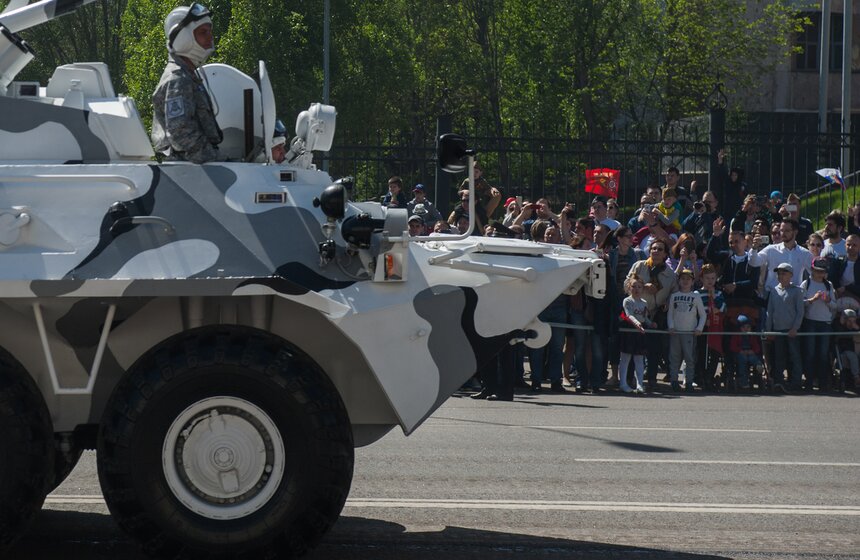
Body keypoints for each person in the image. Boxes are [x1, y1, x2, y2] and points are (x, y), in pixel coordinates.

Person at [151, 3, 224, 164]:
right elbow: (181, 134)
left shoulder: (188, 75)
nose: (210, 38)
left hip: (195, 169)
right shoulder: (178, 79)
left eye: (210, 31)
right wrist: (216, 161)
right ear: (183, 37)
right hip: (190, 171)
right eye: (203, 32)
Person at [628, 239, 677, 390]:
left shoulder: (670, 274)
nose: (655, 251)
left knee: (654, 349)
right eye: (653, 248)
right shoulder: (639, 266)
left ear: (665, 254)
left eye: (659, 249)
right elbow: (626, 285)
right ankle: (629, 378)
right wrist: (641, 288)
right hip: (636, 312)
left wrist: (668, 302)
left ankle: (651, 378)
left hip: (655, 314)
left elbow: (674, 294)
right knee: (632, 347)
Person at [765, 263, 804, 393]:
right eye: (779, 273)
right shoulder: (774, 290)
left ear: (791, 275)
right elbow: (770, 311)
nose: (781, 276)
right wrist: (769, 329)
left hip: (791, 330)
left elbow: (800, 312)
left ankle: (796, 382)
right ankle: (778, 381)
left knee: (794, 356)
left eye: (784, 273)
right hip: (777, 330)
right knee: (779, 357)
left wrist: (795, 328)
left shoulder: (797, 291)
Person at [800, 258, 837, 392]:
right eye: (817, 271)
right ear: (812, 270)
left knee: (823, 353)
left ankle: (822, 382)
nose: (820, 274)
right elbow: (801, 303)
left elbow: (835, 306)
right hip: (810, 321)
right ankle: (809, 381)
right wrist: (812, 299)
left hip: (825, 323)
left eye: (822, 272)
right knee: (810, 353)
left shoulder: (829, 285)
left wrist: (827, 301)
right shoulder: (806, 283)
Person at [667, 269, 706, 392]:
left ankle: (689, 381)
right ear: (679, 281)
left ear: (692, 281)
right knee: (674, 357)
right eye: (683, 278)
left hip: (689, 333)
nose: (685, 281)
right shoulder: (674, 296)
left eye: (688, 279)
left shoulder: (696, 297)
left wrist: (699, 328)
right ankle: (674, 380)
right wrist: (671, 326)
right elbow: (670, 313)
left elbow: (703, 315)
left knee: (689, 358)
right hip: (676, 332)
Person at [618, 275, 653, 393]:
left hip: (640, 331)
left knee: (639, 358)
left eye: (639, 287)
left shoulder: (644, 302)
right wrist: (637, 323)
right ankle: (623, 383)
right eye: (634, 286)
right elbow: (629, 315)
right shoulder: (627, 301)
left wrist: (650, 323)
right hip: (629, 330)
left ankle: (640, 384)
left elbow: (644, 317)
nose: (636, 289)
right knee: (625, 358)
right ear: (629, 287)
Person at [695, 264, 727, 392]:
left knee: (714, 354)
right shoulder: (697, 293)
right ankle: (701, 376)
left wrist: (714, 297)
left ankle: (710, 377)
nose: (710, 281)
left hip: (715, 328)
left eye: (713, 278)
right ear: (702, 279)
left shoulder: (719, 293)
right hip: (702, 328)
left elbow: (723, 308)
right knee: (701, 353)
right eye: (707, 278)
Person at [729, 314, 764, 391]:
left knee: (753, 357)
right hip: (740, 354)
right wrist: (740, 351)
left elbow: (756, 347)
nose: (746, 329)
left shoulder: (752, 336)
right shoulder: (736, 335)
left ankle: (758, 365)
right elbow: (733, 346)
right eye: (743, 327)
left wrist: (752, 351)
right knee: (743, 361)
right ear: (740, 328)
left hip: (749, 352)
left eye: (748, 327)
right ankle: (743, 381)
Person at [833, 308, 860, 389]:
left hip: (856, 348)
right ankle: (856, 377)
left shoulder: (856, 325)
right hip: (844, 350)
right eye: (849, 320)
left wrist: (856, 328)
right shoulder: (838, 325)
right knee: (852, 356)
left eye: (853, 319)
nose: (852, 322)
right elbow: (837, 336)